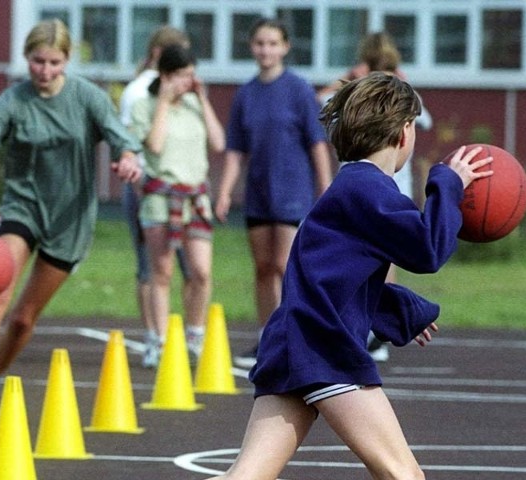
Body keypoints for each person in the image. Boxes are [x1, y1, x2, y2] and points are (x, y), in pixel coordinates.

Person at [203, 72, 493, 480]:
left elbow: (335, 277)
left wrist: (400, 309)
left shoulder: (350, 188)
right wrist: (448, 183)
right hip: (323, 351)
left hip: (293, 345)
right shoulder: (369, 190)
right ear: (405, 132)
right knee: (403, 475)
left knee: (247, 476)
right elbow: (428, 250)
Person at [0, 19, 142, 425]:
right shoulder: (12, 101)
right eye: (38, 62)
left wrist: (128, 160)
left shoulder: (88, 98)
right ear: (27, 59)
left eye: (54, 62)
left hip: (69, 220)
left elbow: (122, 141)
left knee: (22, 319)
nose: (45, 71)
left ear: (67, 60)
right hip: (22, 208)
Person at [215, 18, 331, 367]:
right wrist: (223, 192)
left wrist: (325, 190)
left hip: (292, 192)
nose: (266, 49)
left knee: (285, 266)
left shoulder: (298, 89)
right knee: (263, 268)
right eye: (260, 43)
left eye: (272, 43)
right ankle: (268, 337)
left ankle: (292, 338)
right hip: (258, 193)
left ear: (284, 47)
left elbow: (317, 145)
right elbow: (236, 150)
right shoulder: (246, 93)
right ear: (252, 47)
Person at [318, 31, 433, 363]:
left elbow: (423, 116)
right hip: (365, 182)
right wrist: (349, 82)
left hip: (384, 181)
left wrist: (399, 87)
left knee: (379, 255)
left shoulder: (397, 96)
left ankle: (375, 329)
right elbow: (322, 103)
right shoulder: (357, 95)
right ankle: (367, 326)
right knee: (372, 254)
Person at [129, 44, 225, 365]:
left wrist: (202, 99)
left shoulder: (196, 105)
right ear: (167, 75)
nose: (189, 81)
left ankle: (194, 335)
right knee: (162, 271)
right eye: (182, 76)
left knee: (200, 270)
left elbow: (219, 142)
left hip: (195, 197)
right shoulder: (146, 105)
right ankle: (157, 339)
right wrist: (165, 103)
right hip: (161, 197)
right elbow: (154, 145)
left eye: (191, 75)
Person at [118, 26, 193, 368]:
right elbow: (133, 144)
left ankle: (183, 337)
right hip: (148, 189)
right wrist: (139, 186)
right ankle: (154, 338)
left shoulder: (189, 99)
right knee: (151, 268)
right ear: (160, 56)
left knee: (189, 269)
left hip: (183, 190)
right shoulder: (138, 92)